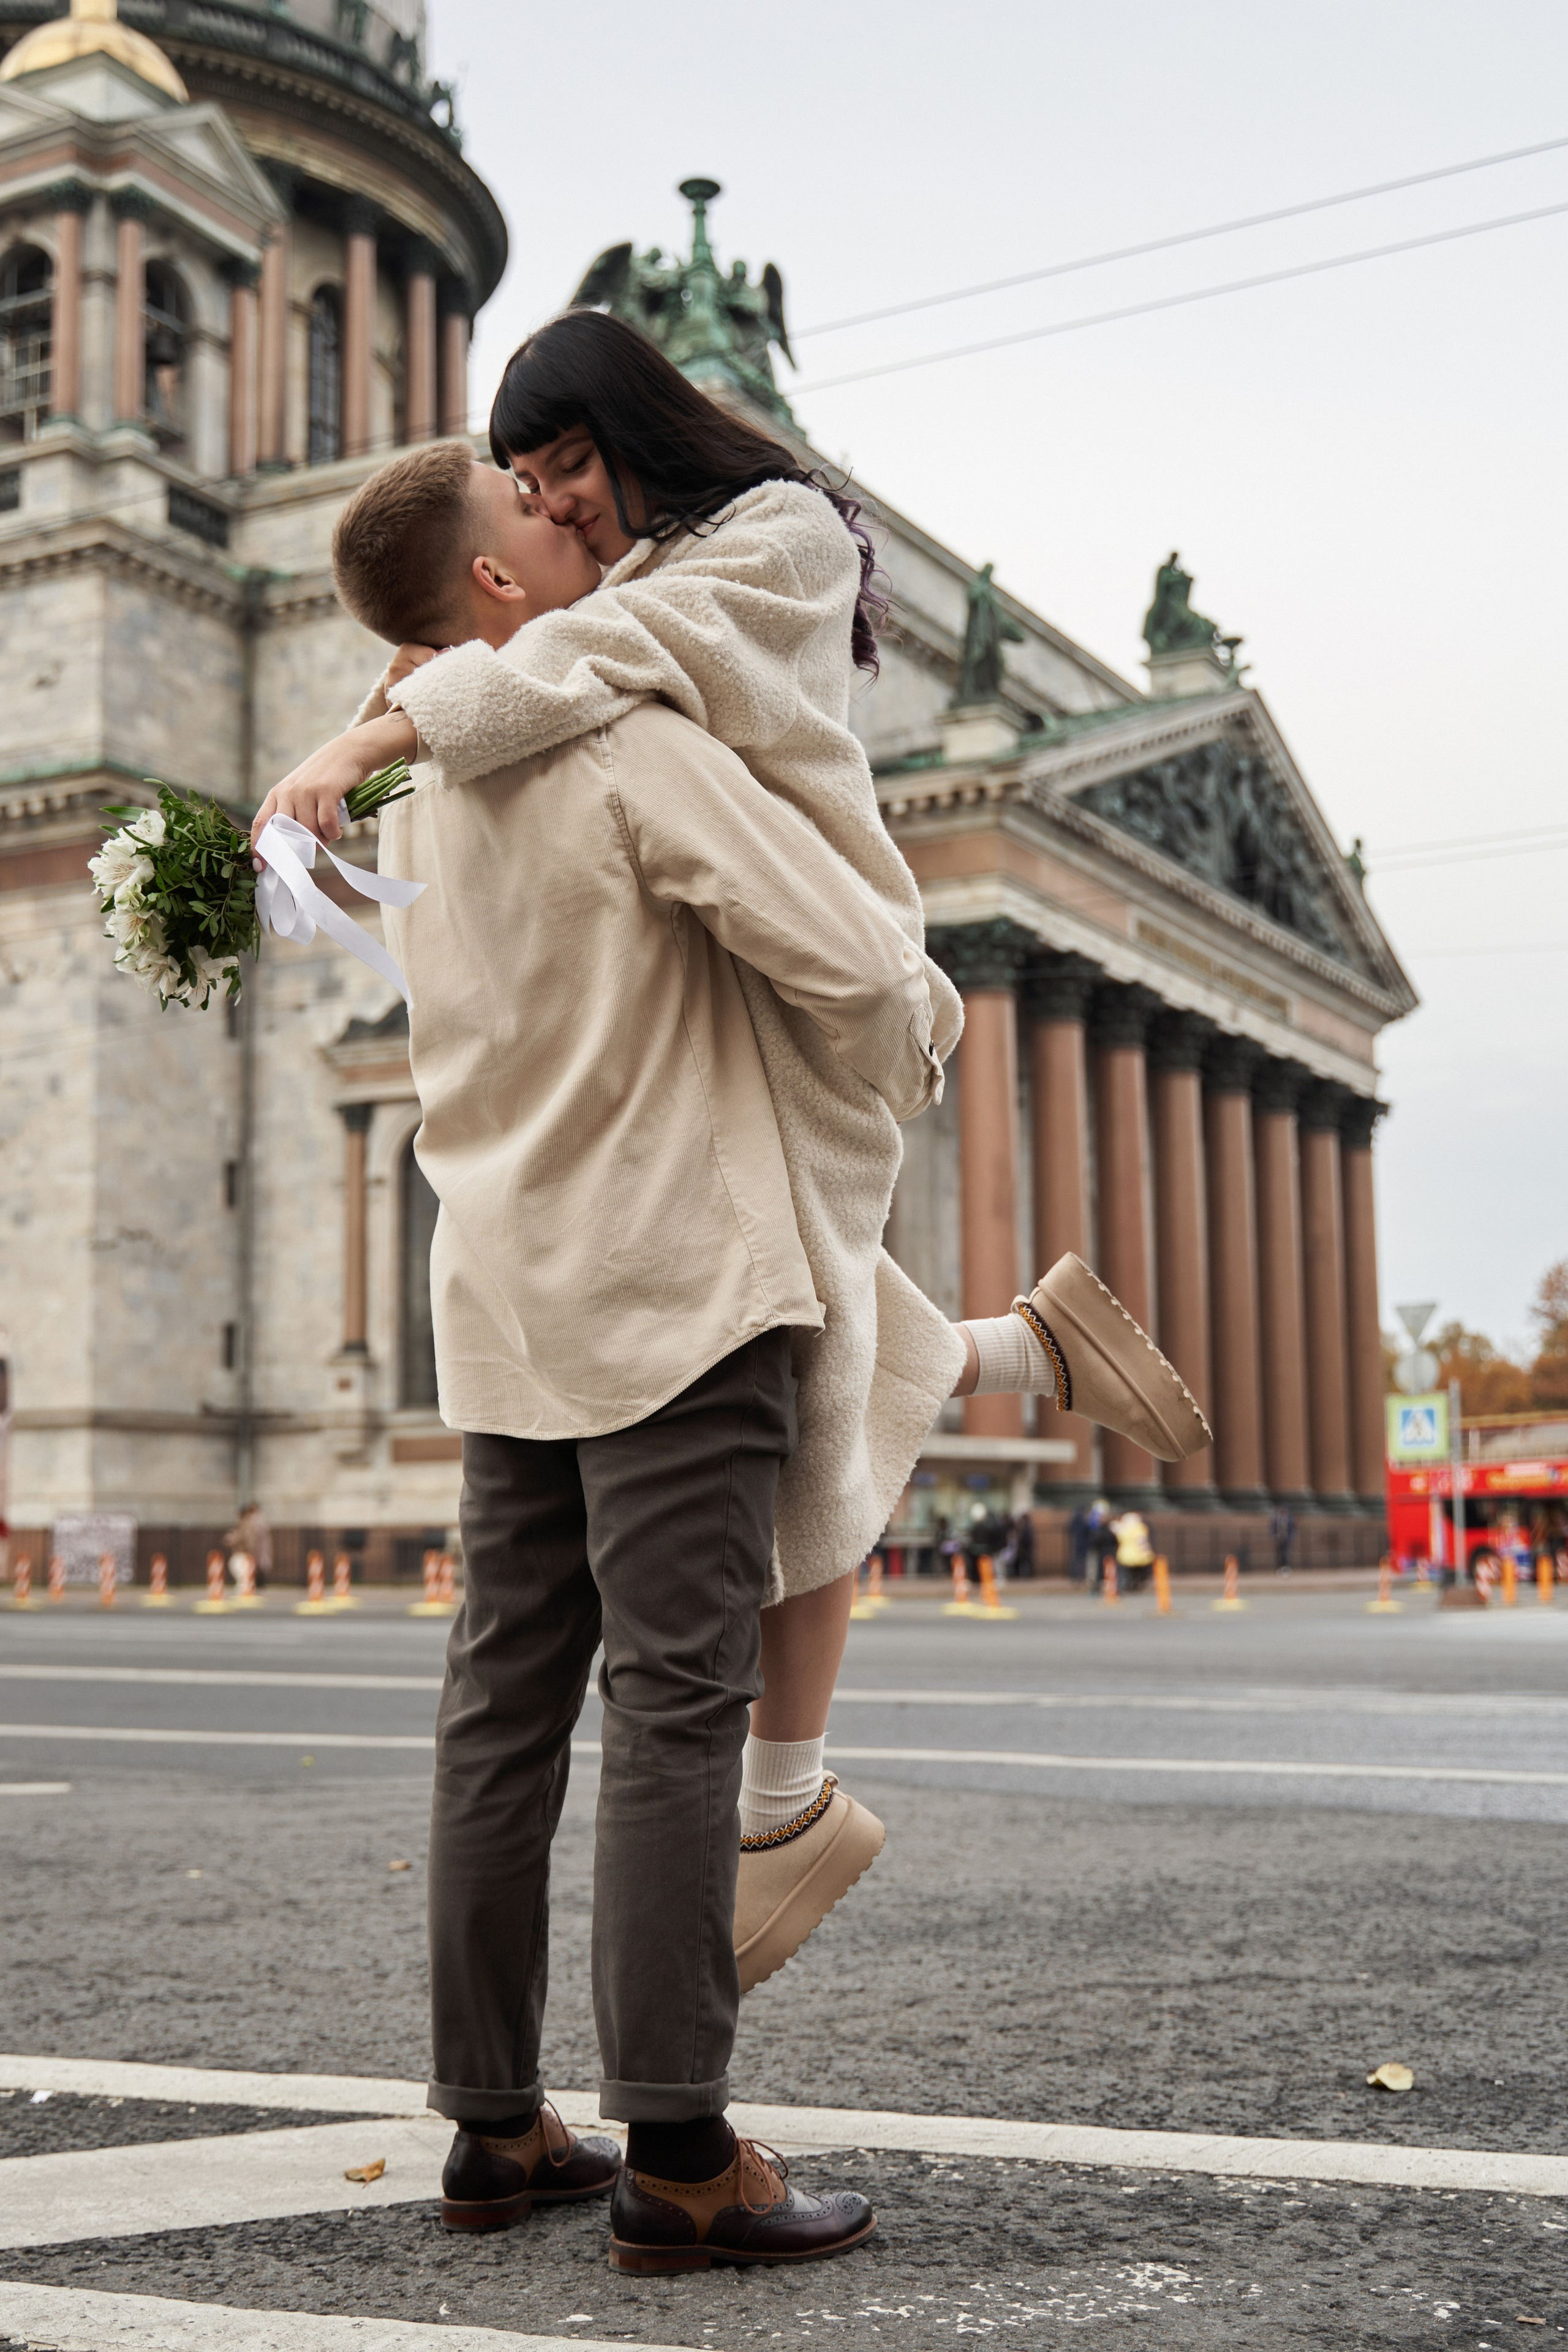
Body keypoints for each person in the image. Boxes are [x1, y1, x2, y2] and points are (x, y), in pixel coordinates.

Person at [265, 382, 1213, 1977]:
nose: (561, 509)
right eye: (527, 492)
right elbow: (563, 677)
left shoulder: (738, 559)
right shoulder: (570, 709)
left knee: (542, 1688)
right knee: (728, 1532)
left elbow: (594, 656)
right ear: (493, 572)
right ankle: (997, 1377)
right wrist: (914, 1035)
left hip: (575, 1225)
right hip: (654, 1206)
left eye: (566, 473)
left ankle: (676, 1926)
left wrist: (375, 731)